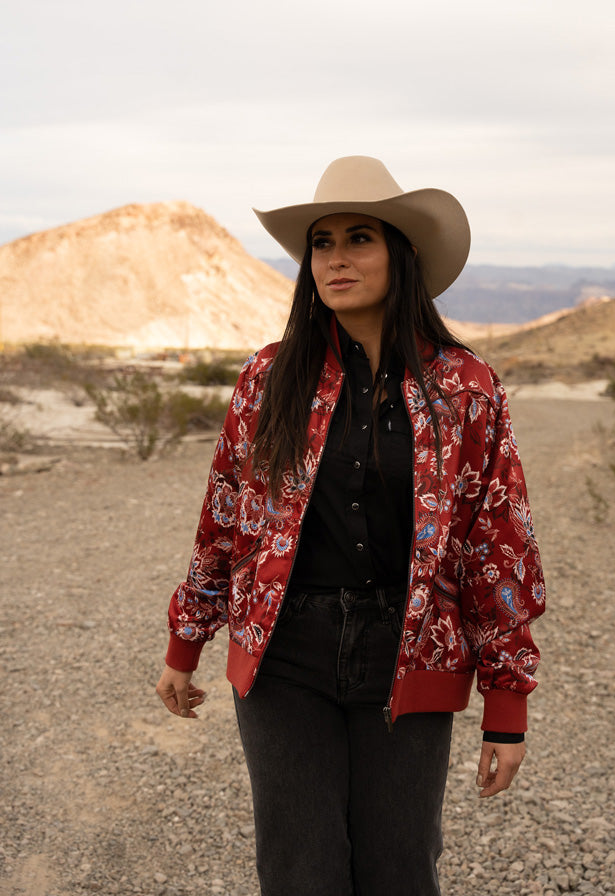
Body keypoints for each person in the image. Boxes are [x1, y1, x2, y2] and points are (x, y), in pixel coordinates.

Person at [156, 156, 546, 896]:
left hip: (411, 647)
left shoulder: (465, 387)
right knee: (301, 870)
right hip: (283, 655)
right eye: (322, 242)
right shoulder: (268, 377)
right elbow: (223, 519)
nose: (336, 258)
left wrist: (506, 705)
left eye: (358, 238)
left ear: (400, 253)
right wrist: (187, 641)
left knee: (399, 868)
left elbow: (499, 547)